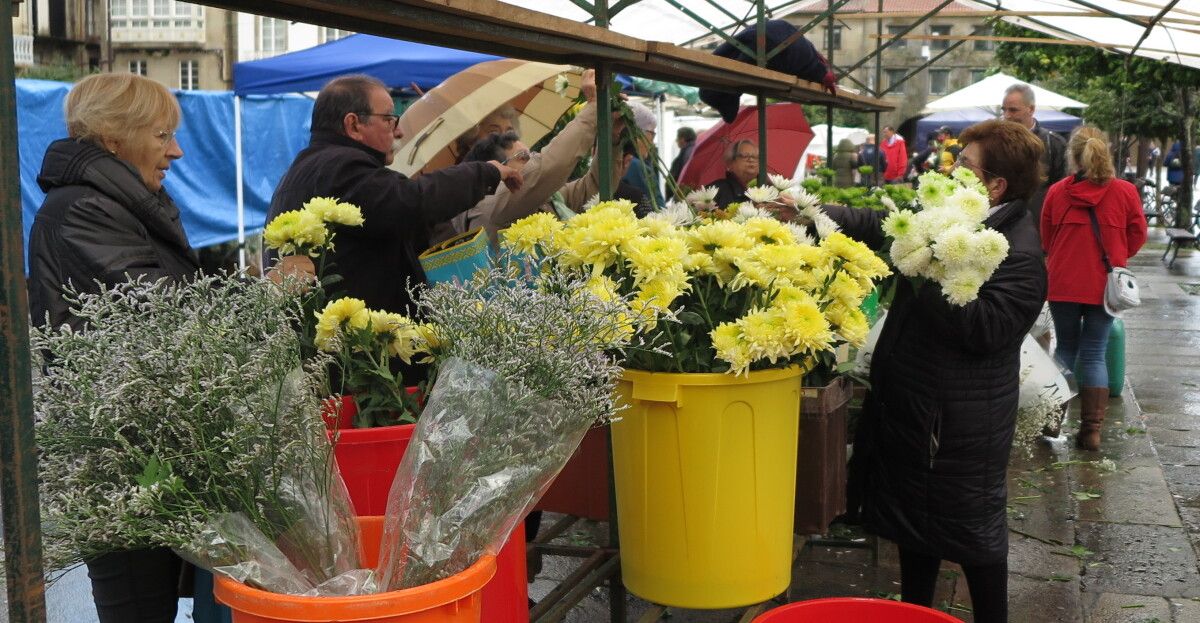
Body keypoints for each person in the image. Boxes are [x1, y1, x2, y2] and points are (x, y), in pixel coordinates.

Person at [827, 120, 1047, 623]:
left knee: (975, 538)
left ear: (995, 186)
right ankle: (916, 615)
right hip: (919, 406)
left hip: (957, 426)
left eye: (964, 164)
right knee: (913, 525)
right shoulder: (954, 219)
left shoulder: (1019, 252)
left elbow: (987, 331)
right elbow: (880, 224)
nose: (951, 169)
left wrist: (924, 268)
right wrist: (816, 214)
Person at [27, 72, 197, 623]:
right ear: (113, 137)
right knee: (139, 605)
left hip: (144, 441)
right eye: (160, 135)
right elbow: (160, 306)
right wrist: (259, 295)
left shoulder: (121, 205)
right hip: (118, 450)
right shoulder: (83, 209)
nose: (175, 150)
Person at [267, 74, 523, 323]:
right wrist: (485, 171)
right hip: (358, 351)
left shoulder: (304, 171)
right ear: (354, 124)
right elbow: (412, 201)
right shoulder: (342, 167)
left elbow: (392, 215)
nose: (399, 132)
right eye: (389, 119)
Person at [1040, 126, 1147, 451]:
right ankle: (1091, 432)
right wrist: (1116, 254)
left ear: (1072, 156)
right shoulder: (1125, 192)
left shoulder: (1057, 192)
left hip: (1063, 283)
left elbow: (1046, 238)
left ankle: (1052, 422)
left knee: (1065, 351)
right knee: (1094, 353)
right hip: (1104, 285)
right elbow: (1138, 234)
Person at [1001, 84, 1067, 221]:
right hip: (1001, 225)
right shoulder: (994, 142)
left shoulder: (1053, 143)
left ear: (1031, 109)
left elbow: (1063, 190)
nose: (1006, 116)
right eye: (1004, 110)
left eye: (1013, 110)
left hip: (1039, 225)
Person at [620, 100, 665, 209]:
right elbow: (656, 210)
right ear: (638, 133)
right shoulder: (634, 165)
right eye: (652, 134)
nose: (652, 143)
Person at [707, 139, 759, 208]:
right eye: (745, 156)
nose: (751, 160)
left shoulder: (767, 189)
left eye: (755, 157)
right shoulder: (717, 190)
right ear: (730, 163)